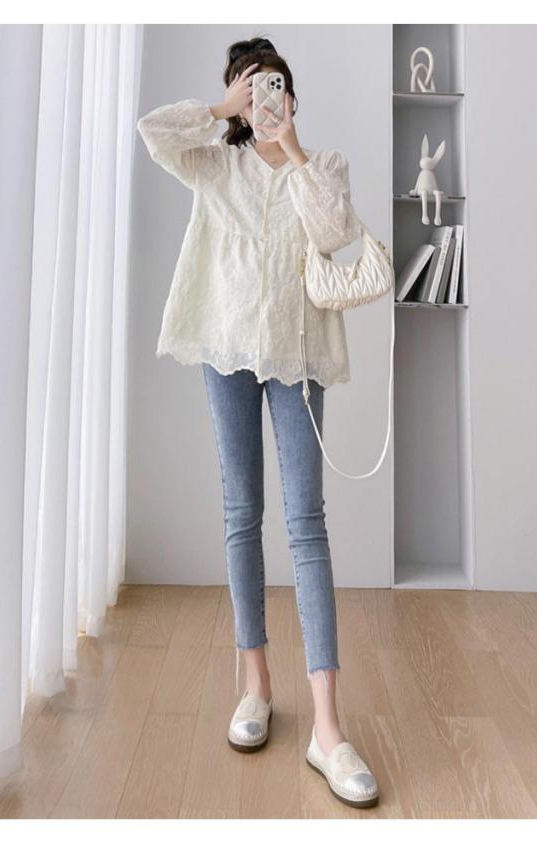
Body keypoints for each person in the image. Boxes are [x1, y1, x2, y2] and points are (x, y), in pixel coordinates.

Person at [137, 36, 379, 809]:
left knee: (306, 523)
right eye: (252, 89)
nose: (264, 99)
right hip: (227, 354)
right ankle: (256, 686)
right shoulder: (216, 164)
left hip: (299, 361)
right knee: (242, 515)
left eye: (274, 86)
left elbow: (335, 233)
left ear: (293, 96)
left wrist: (293, 149)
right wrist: (219, 109)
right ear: (240, 100)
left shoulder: (323, 165)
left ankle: (328, 730)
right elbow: (153, 132)